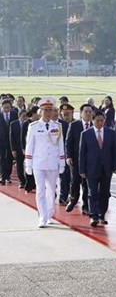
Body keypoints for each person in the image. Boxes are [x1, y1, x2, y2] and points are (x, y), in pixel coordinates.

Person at [24, 97, 65, 227]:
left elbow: (60, 145)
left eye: (50, 110)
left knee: (51, 191)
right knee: (40, 190)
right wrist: (28, 163)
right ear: (40, 111)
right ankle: (42, 216)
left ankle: (49, 214)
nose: (48, 112)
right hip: (39, 163)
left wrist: (62, 162)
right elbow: (29, 145)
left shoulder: (57, 126)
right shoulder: (34, 126)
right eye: (45, 110)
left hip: (52, 163)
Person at [79, 111, 116, 227]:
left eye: (102, 120)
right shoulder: (86, 134)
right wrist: (82, 170)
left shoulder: (111, 133)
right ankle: (93, 216)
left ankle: (102, 214)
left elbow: (115, 150)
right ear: (93, 120)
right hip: (91, 168)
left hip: (106, 169)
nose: (100, 123)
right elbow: (82, 153)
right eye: (98, 121)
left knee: (104, 193)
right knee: (92, 192)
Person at [65, 104, 92, 215]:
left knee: (86, 184)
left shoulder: (94, 126)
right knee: (75, 181)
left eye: (90, 112)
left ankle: (86, 206)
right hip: (76, 159)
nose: (88, 114)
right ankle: (73, 200)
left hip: (89, 160)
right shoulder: (74, 125)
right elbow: (68, 142)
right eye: (86, 112)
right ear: (81, 113)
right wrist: (69, 156)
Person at [54, 104, 71, 205]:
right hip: (49, 156)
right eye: (53, 111)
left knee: (65, 178)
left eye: (56, 111)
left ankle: (63, 197)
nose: (55, 113)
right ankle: (52, 194)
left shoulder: (64, 125)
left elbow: (68, 141)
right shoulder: (44, 125)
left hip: (62, 156)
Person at [21, 106, 40, 192]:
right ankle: (28, 184)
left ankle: (36, 184)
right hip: (29, 148)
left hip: (38, 149)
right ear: (33, 113)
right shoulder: (27, 123)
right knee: (28, 166)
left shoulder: (40, 123)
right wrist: (24, 148)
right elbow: (22, 137)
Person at [0, 99, 18, 184]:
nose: (6, 109)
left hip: (11, 140)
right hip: (1, 141)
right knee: (2, 158)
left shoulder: (14, 114)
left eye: (8, 108)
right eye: (5, 108)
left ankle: (8, 176)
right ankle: (3, 176)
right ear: (1, 107)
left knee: (10, 158)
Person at [9, 108, 28, 188]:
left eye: (26, 116)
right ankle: (21, 181)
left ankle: (29, 182)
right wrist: (13, 149)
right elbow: (11, 137)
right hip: (18, 148)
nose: (25, 118)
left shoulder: (29, 124)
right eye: (23, 116)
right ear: (19, 116)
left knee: (28, 166)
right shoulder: (14, 124)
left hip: (27, 149)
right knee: (19, 166)